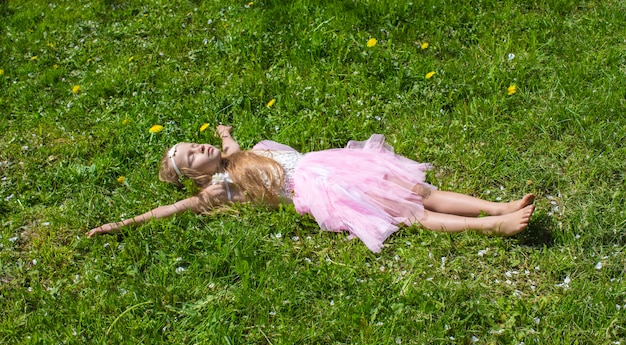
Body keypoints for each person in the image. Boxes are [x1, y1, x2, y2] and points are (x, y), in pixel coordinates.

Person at [87, 125, 535, 252]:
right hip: (319, 189)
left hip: (331, 166)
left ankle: (500, 205)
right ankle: (494, 227)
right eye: (189, 156)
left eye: (191, 143)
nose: (197, 147)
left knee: (420, 190)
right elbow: (178, 209)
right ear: (196, 176)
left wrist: (223, 134)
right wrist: (128, 222)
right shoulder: (218, 187)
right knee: (408, 213)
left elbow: (231, 145)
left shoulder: (231, 155)